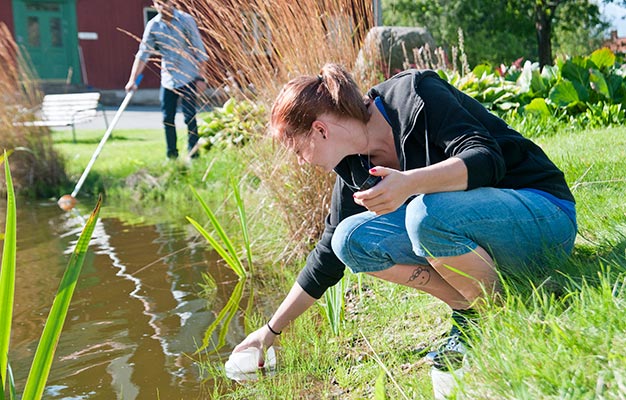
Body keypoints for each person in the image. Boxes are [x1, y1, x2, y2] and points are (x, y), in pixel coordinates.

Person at [233, 64, 577, 366]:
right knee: (349, 240)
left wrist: (409, 183)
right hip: (484, 237)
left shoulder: (416, 95)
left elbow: (487, 159)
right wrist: (271, 330)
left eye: (298, 149)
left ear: (321, 130)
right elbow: (327, 255)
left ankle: (502, 319)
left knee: (423, 215)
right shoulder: (354, 164)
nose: (300, 161)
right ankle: (471, 313)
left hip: (543, 215)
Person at [126, 0, 208, 159]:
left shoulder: (186, 20)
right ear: (154, 5)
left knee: (189, 117)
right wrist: (132, 80)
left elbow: (199, 50)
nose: (163, 6)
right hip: (168, 79)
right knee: (167, 119)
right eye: (159, 3)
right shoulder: (153, 26)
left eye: (165, 2)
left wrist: (201, 77)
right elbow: (143, 54)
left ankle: (194, 154)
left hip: (188, 76)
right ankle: (172, 156)